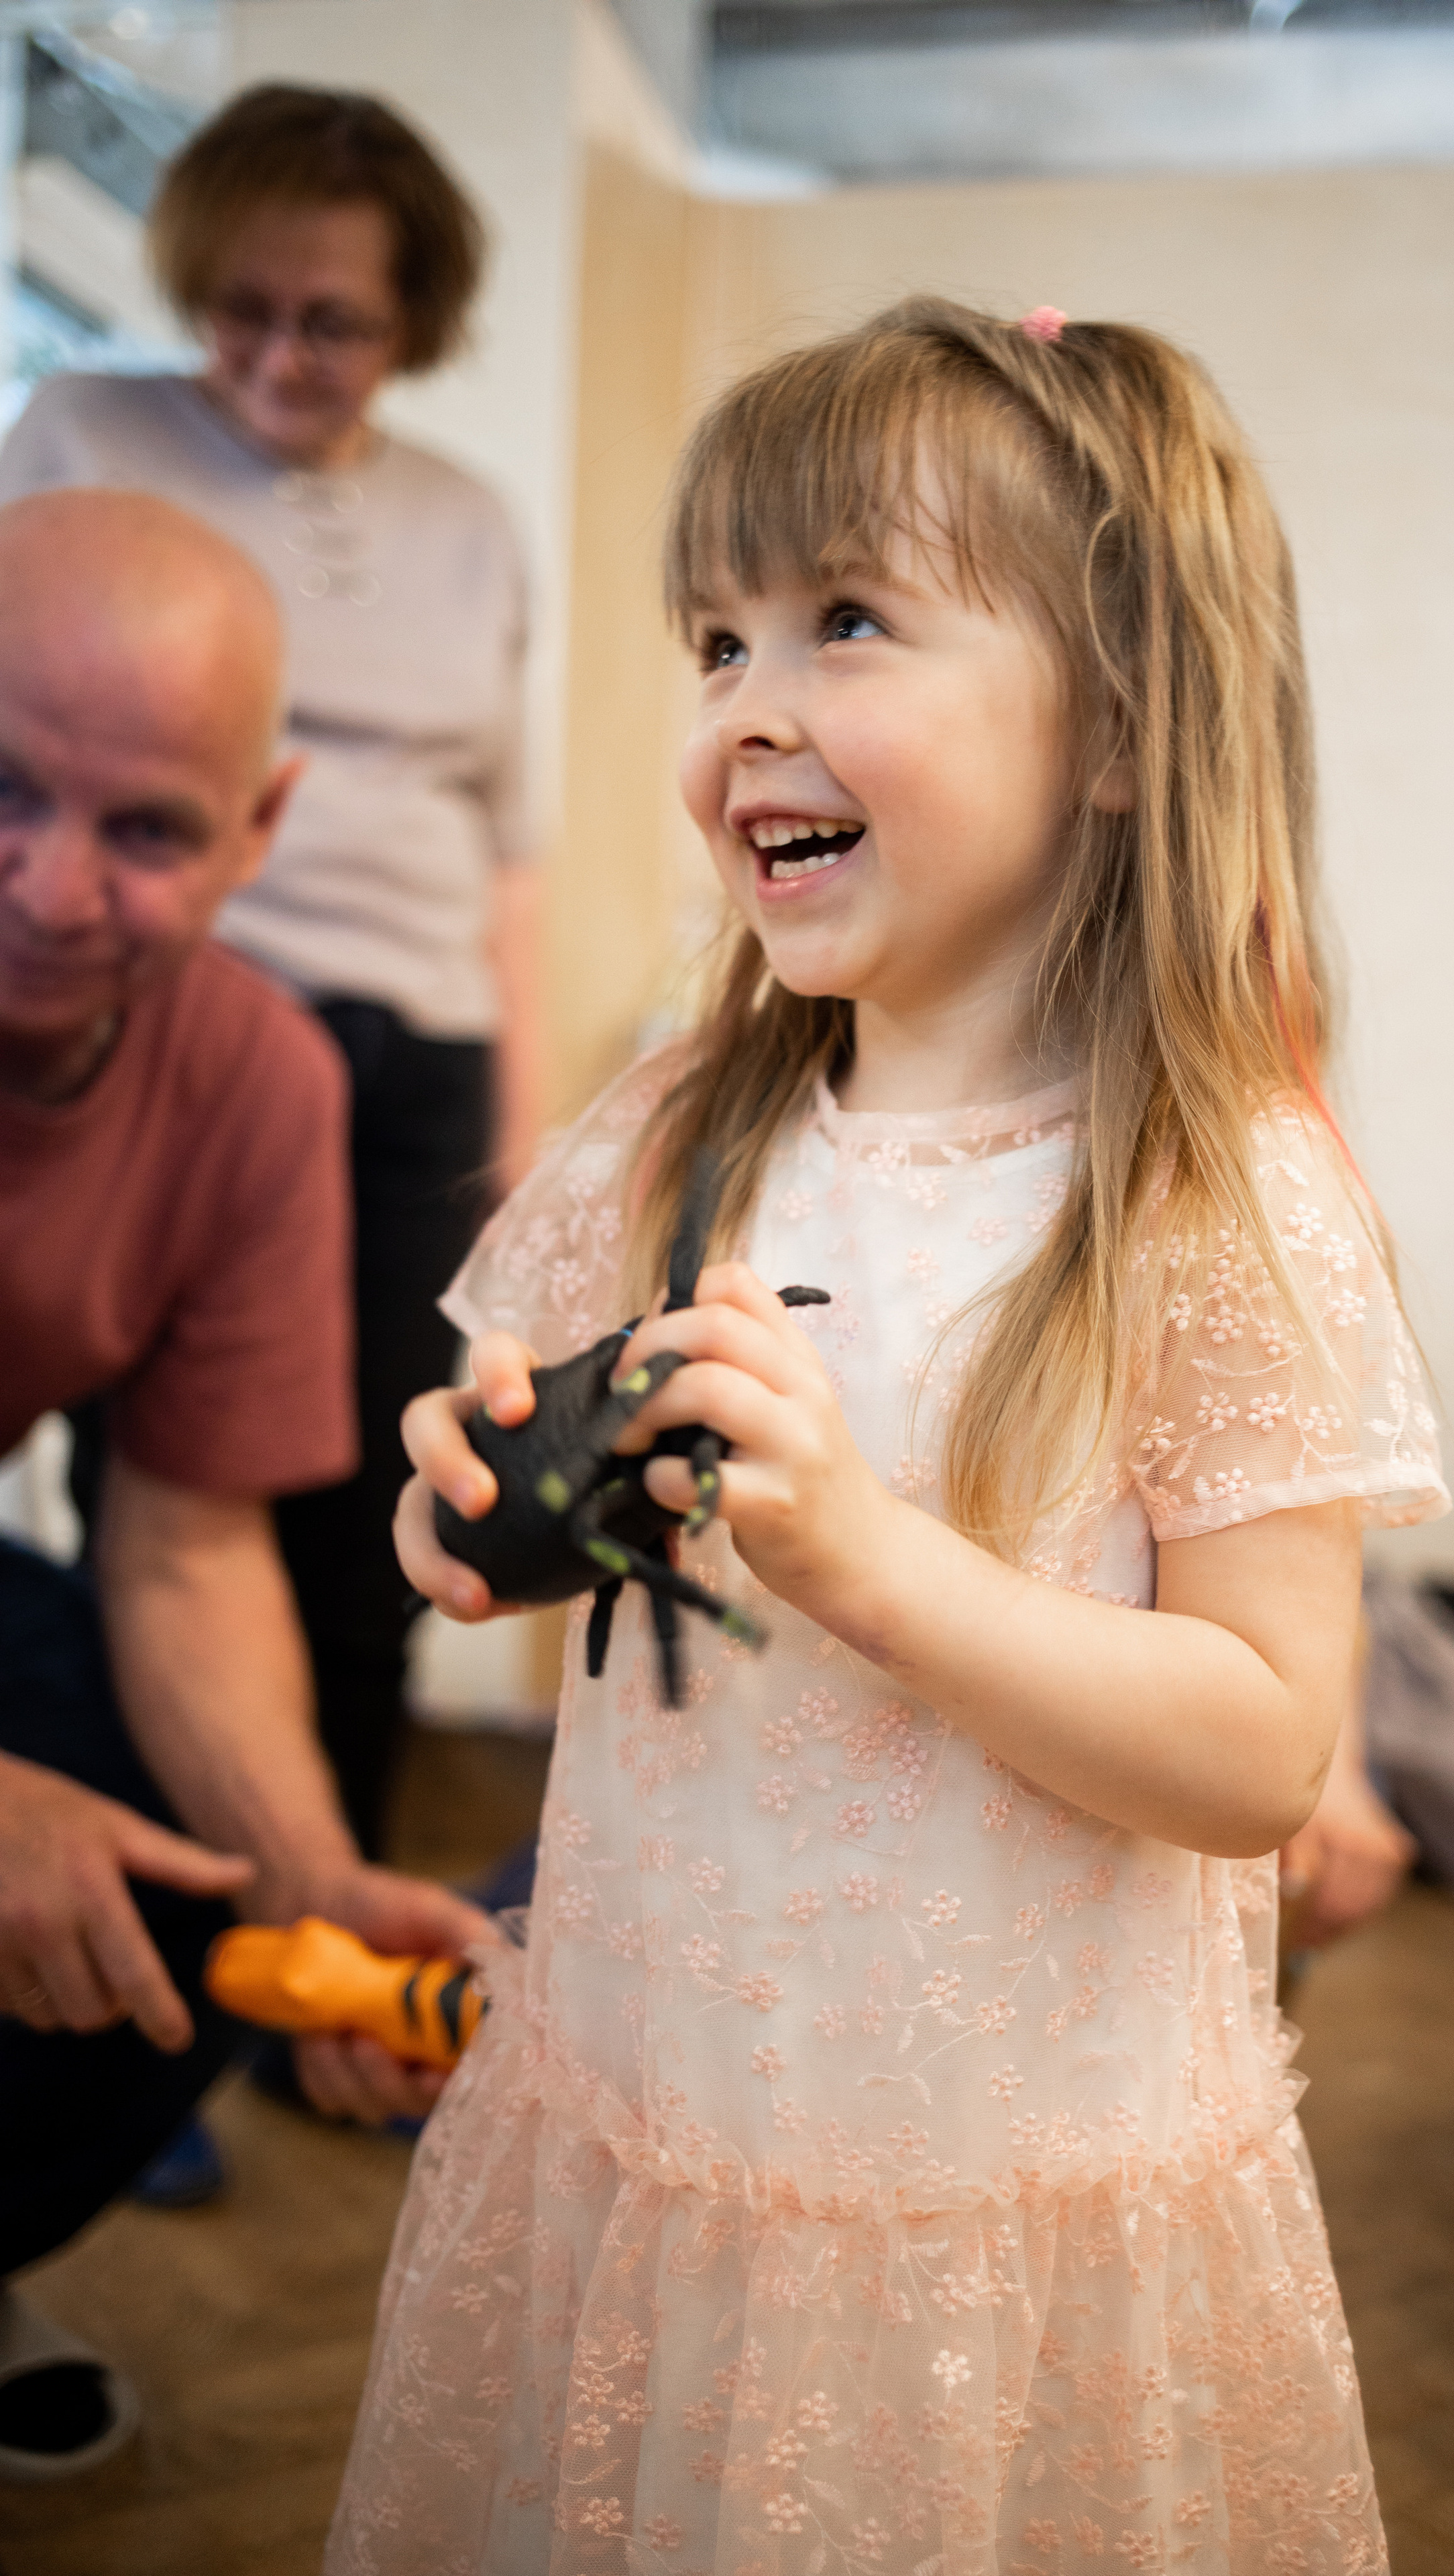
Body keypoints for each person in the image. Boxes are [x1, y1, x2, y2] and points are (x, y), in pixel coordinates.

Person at [330, 300, 1449, 2573]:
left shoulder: (1210, 1195)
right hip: (659, 2114)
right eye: (719, 639)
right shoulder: (678, 1124)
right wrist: (477, 1504)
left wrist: (869, 1563)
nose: (750, 712)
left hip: (991, 2200)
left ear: (1122, 722)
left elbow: (1256, 1745)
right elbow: (521, 1456)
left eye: (845, 622)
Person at [0, 83, 545, 1862]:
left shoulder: (471, 520)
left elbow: (508, 848)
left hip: (407, 1062)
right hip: (146, 1032)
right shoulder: (84, 426)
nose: (281, 355)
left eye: (337, 324)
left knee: (368, 1507)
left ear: (416, 328)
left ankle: (304, 1930)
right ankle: (111, 1898)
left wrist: (521, 1144)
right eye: (245, 305)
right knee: (122, 1491)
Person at [0, 489, 486, 2480]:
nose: (44, 888)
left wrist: (308, 1886)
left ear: (259, 833)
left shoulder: (261, 1081)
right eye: (3, 793)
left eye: (144, 832)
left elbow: (187, 1553)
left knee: (176, 1851)